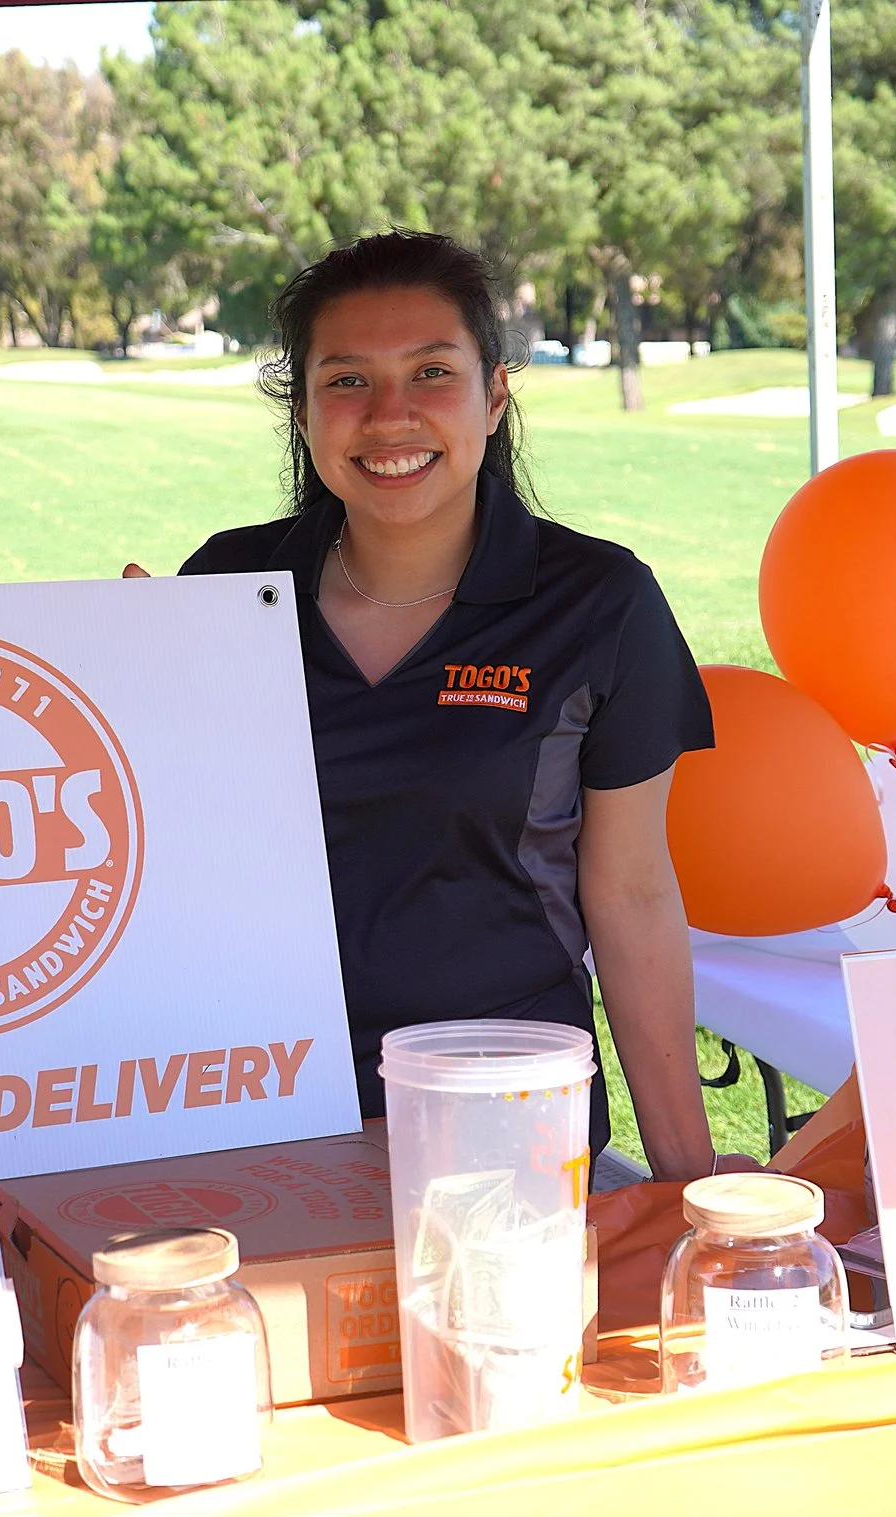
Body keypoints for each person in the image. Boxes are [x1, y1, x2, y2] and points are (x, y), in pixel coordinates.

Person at [147, 231, 735, 1181]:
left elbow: (629, 895)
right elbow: (163, 859)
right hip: (259, 1118)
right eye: (346, 381)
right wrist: (123, 685)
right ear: (300, 410)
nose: (390, 416)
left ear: (494, 396)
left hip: (504, 1128)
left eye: (431, 372)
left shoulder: (596, 602)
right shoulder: (228, 583)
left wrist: (685, 1181)